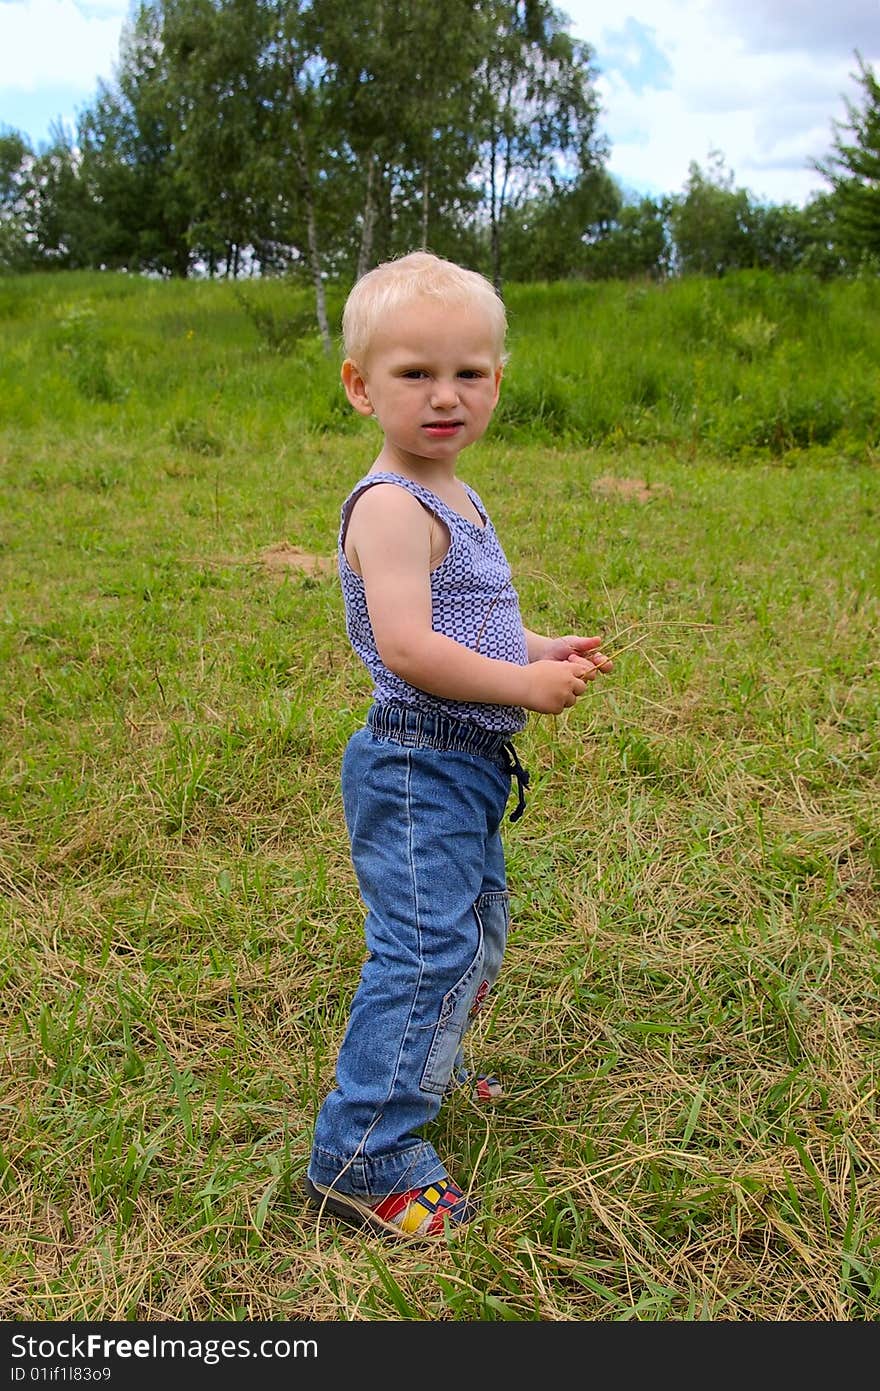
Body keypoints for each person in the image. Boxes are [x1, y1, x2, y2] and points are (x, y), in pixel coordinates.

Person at [305, 250, 612, 1240]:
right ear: (359, 386)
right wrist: (523, 686)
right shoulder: (391, 503)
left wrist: (533, 644)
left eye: (467, 373)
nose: (445, 396)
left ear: (497, 379)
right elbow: (406, 643)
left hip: (463, 765)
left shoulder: (456, 491)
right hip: (414, 763)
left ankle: (419, 1069)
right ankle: (363, 1156)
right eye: (413, 374)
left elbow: (464, 623)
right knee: (427, 948)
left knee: (473, 937)